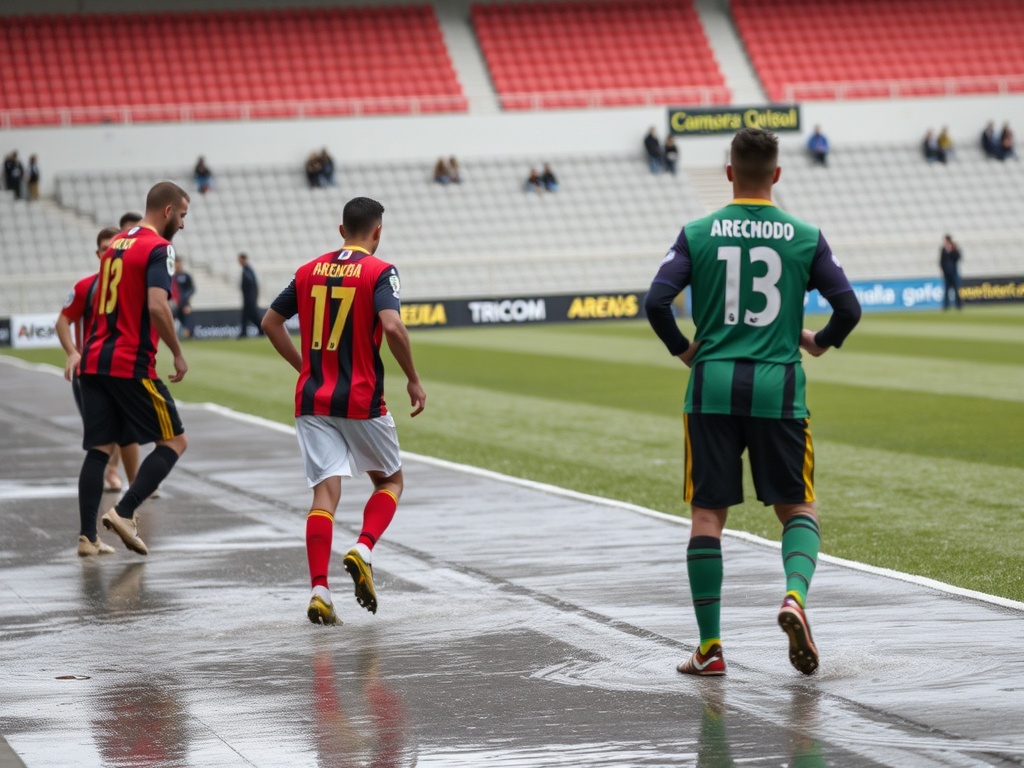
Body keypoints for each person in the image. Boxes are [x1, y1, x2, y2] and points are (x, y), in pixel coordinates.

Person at [645, 127, 861, 677]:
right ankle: (793, 597)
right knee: (797, 508)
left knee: (707, 515)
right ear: (778, 174)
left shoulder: (699, 232)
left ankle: (711, 647)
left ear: (729, 173)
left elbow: (656, 301)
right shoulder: (805, 236)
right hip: (779, 388)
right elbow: (849, 308)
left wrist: (684, 351)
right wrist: (819, 340)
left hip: (712, 386)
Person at [261, 196, 426, 626]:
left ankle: (320, 592)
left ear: (341, 231)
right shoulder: (380, 271)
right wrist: (412, 377)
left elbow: (270, 323)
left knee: (325, 495)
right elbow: (392, 326)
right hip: (360, 398)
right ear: (377, 232)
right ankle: (364, 548)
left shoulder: (308, 270)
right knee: (390, 480)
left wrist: (305, 367)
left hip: (313, 399)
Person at [76, 181, 191, 557]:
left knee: (98, 449)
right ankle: (125, 511)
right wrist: (176, 352)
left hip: (94, 358)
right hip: (129, 360)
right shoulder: (160, 248)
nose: (184, 225)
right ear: (169, 211)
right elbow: (158, 306)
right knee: (174, 441)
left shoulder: (118, 243)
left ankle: (88, 538)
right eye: (184, 216)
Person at [56, 227, 143, 555]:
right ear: (98, 254)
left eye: (114, 248)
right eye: (104, 249)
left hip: (119, 373)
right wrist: (72, 351)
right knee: (102, 447)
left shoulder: (129, 287)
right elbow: (63, 320)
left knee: (124, 440)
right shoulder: (86, 286)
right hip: (96, 374)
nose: (109, 253)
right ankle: (91, 534)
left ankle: (112, 523)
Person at [237, 252, 263, 337]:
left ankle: (261, 330)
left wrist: (252, 298)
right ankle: (244, 332)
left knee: (253, 316)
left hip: (249, 299)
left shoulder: (248, 271)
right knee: (245, 316)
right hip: (248, 298)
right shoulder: (246, 270)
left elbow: (252, 285)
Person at [171, 255, 196, 339]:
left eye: (179, 263)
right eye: (176, 263)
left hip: (184, 303)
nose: (178, 265)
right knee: (172, 321)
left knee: (186, 321)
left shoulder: (186, 276)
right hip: (173, 304)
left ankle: (189, 336)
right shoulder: (171, 276)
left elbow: (191, 289)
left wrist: (187, 302)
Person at [939, 234, 962, 311]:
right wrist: (942, 269)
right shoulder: (943, 249)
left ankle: (958, 306)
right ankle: (946, 307)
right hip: (946, 273)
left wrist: (954, 250)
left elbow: (958, 258)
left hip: (954, 273)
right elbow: (941, 260)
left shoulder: (954, 248)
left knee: (956, 290)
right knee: (946, 291)